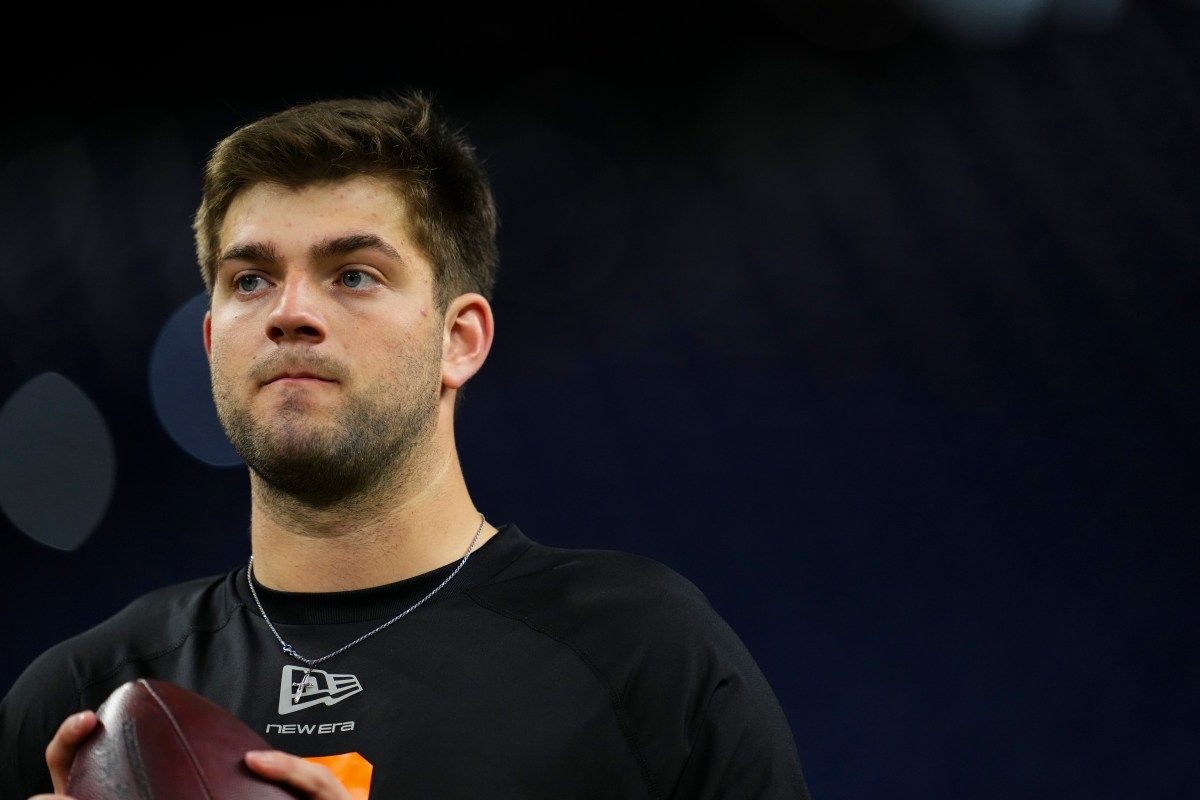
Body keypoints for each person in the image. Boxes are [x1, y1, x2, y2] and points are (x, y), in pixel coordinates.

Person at [0, 92, 810, 800]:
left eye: (353, 274)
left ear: (460, 340)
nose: (289, 313)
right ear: (213, 343)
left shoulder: (644, 656)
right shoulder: (79, 696)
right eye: (251, 280)